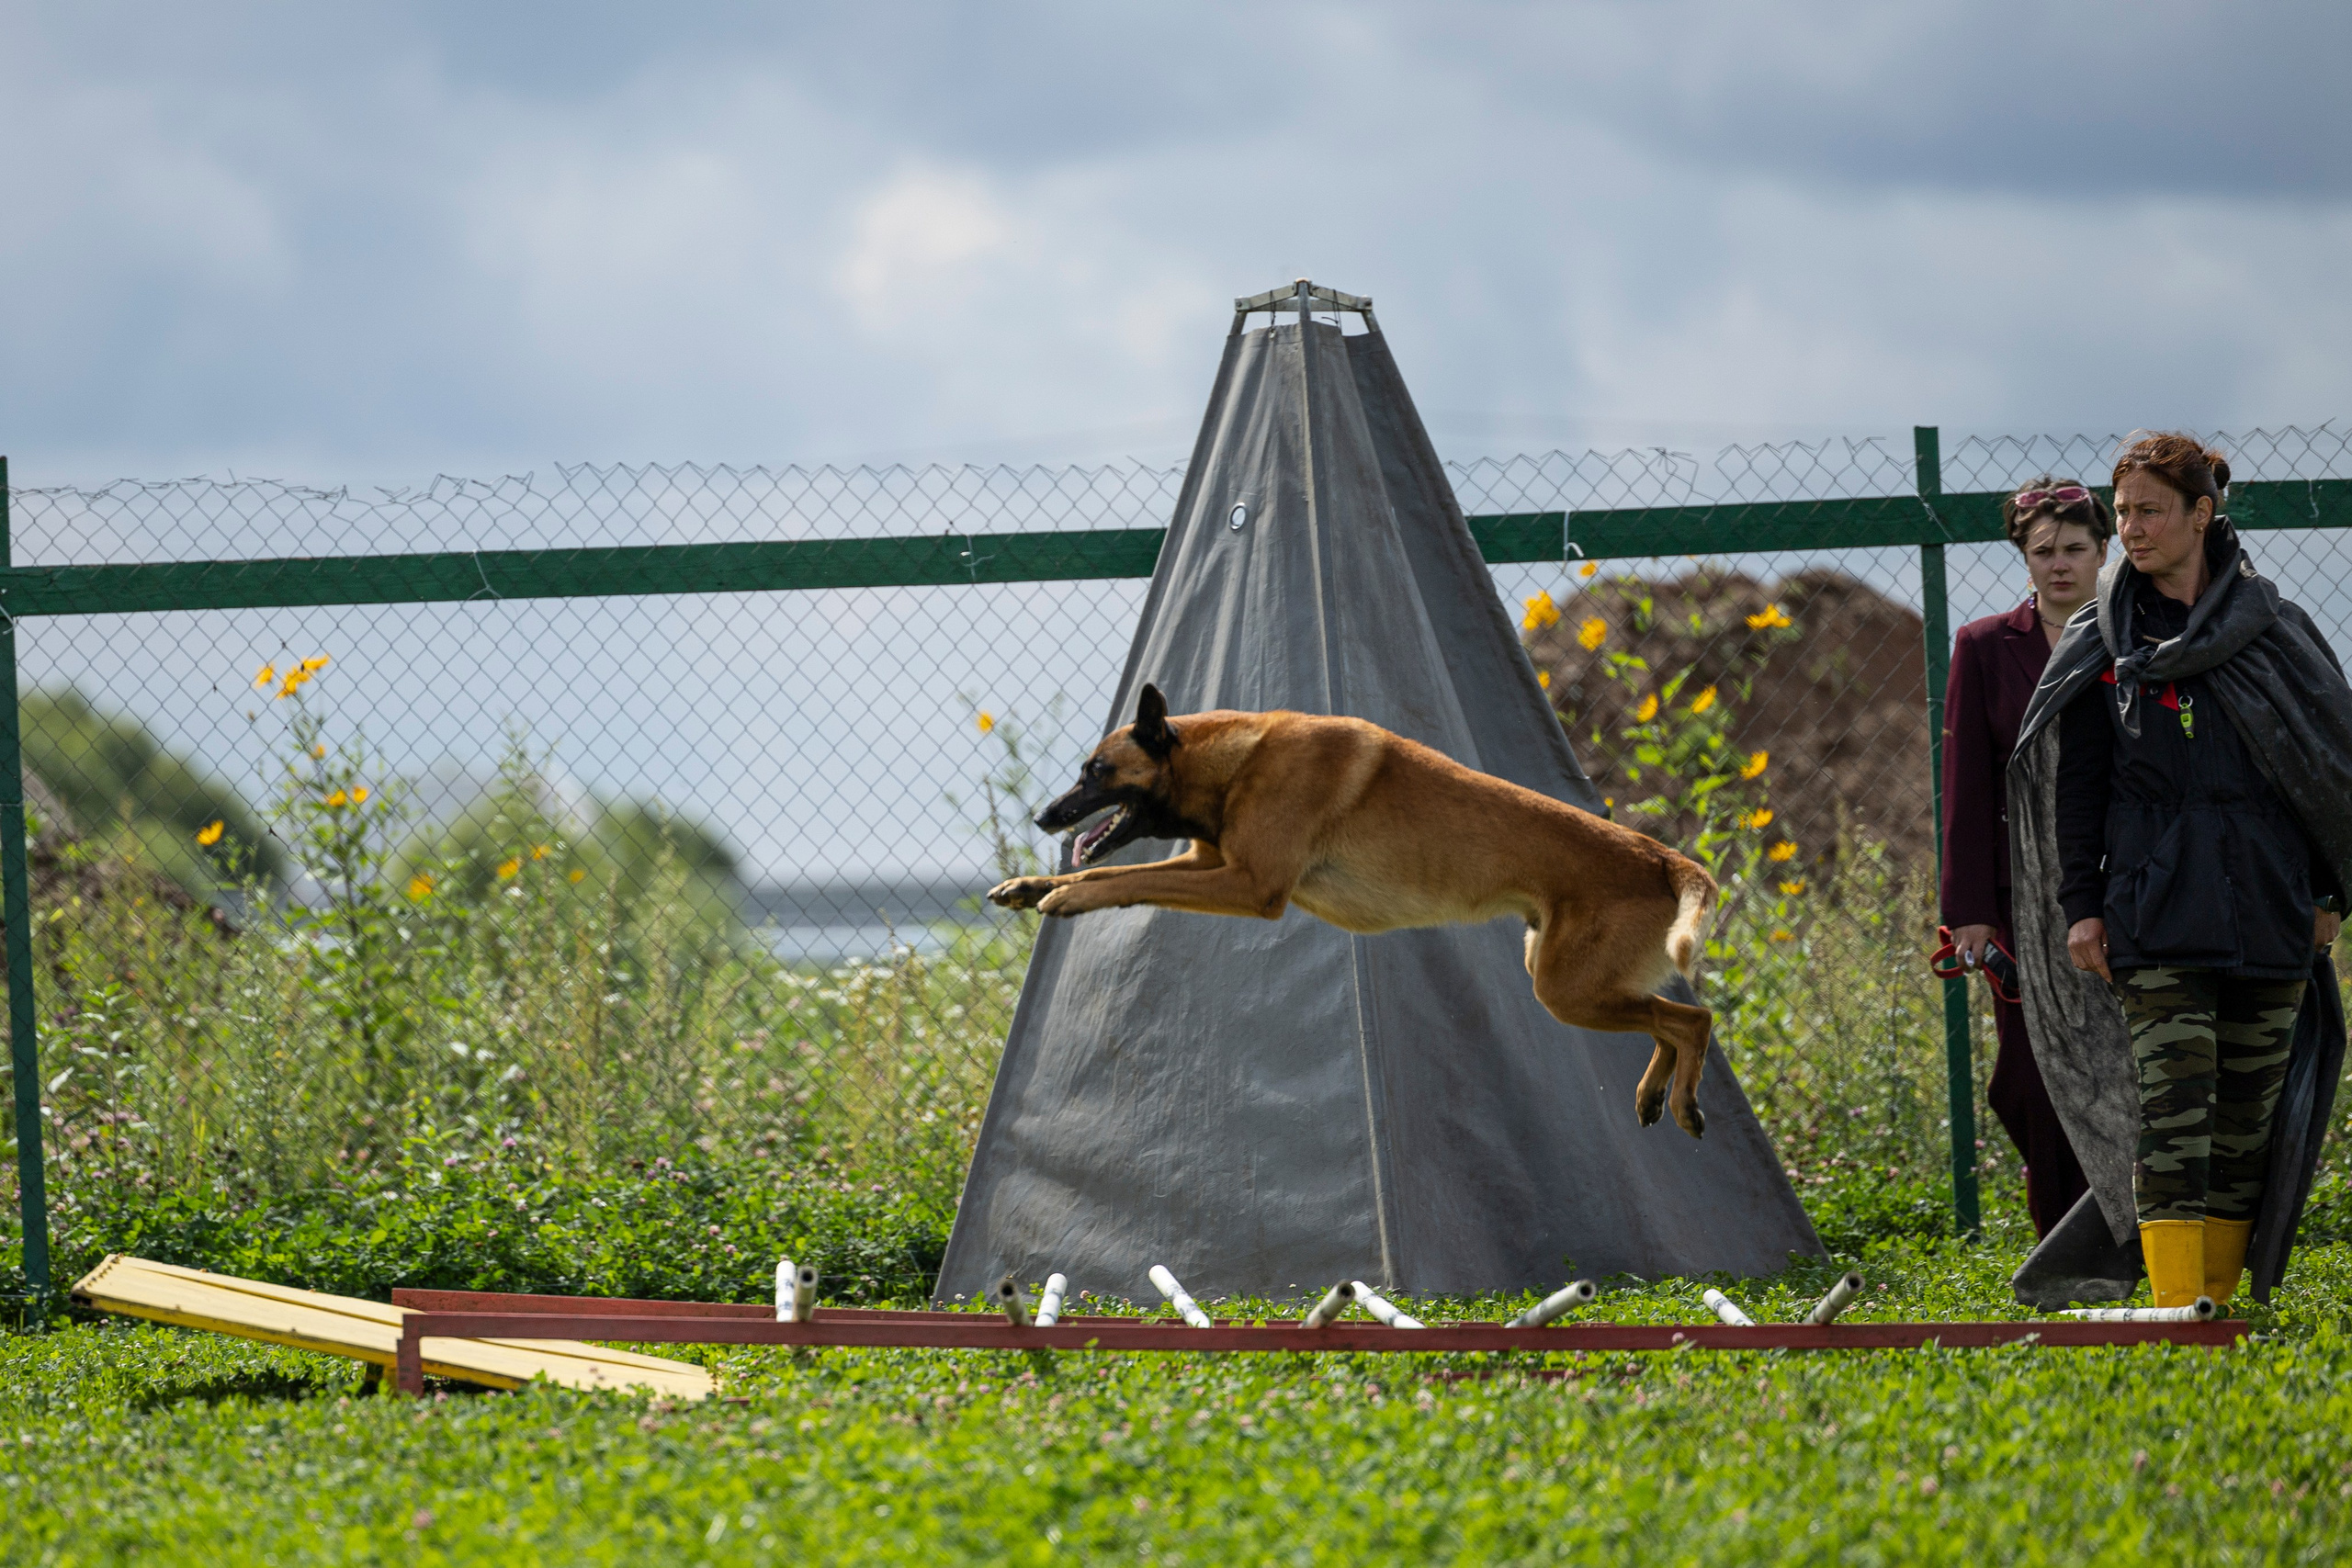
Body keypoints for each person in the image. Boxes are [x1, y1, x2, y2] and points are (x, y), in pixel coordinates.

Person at [2012, 433, 2349, 1309]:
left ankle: (2216, 1309)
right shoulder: (2104, 638)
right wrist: (2081, 907)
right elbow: (2074, 792)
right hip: (2153, 916)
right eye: (2121, 513)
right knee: (2175, 1115)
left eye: (2149, 510)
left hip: (2269, 911)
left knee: (2243, 1128)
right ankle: (2174, 1315)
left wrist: (2327, 893)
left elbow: (2324, 769)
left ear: (2202, 514)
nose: (2130, 529)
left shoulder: (2273, 628)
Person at [1939, 478, 2108, 1235]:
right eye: (2045, 551)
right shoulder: (1982, 646)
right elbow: (1966, 784)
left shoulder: (2132, 637)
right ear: (2025, 556)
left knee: (2118, 1067)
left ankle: (2131, 1229)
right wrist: (1969, 911)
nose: (2061, 564)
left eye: (2076, 548)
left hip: (2120, 885)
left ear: (2103, 551)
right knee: (2029, 1079)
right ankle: (2062, 1237)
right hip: (2017, 898)